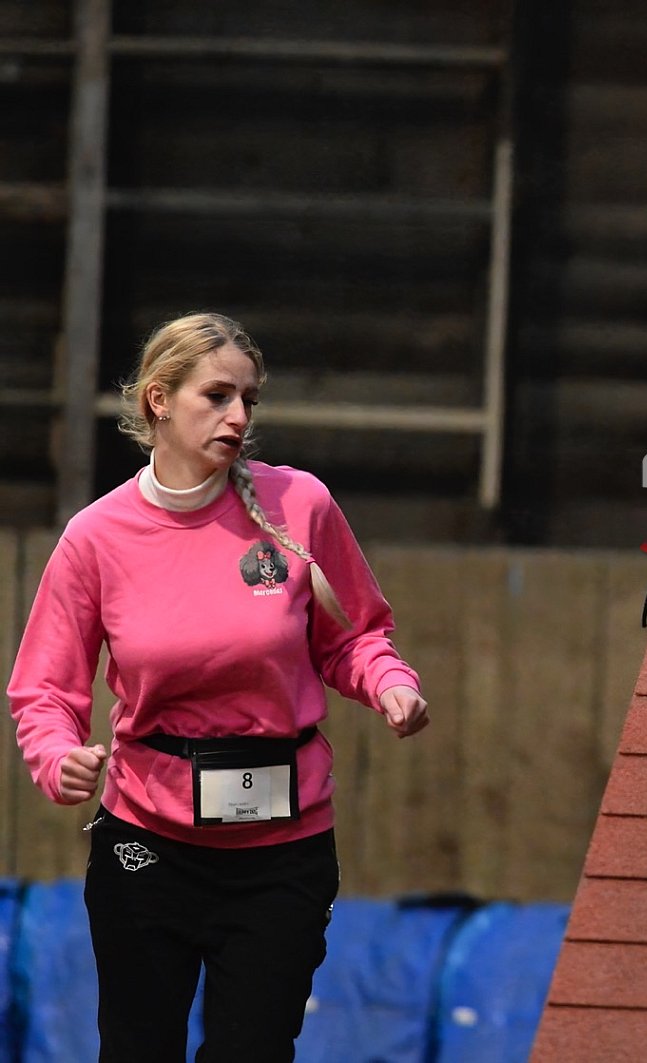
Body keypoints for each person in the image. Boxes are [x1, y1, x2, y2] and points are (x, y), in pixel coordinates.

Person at [6, 311, 429, 1061]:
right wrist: (56, 755)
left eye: (249, 399)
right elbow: (45, 687)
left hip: (284, 851)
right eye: (217, 396)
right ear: (159, 400)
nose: (238, 416)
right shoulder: (96, 537)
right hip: (146, 845)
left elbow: (356, 636)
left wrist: (389, 681)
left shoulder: (300, 505)